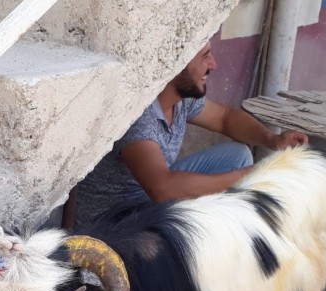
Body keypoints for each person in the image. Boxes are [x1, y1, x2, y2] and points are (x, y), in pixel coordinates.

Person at [73, 41, 309, 227]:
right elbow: (162, 189)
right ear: (176, 64)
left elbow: (225, 117)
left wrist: (272, 140)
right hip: (116, 220)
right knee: (215, 194)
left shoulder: (181, 100)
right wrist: (248, 176)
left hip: (149, 199)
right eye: (205, 56)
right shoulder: (137, 116)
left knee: (236, 155)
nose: (214, 65)